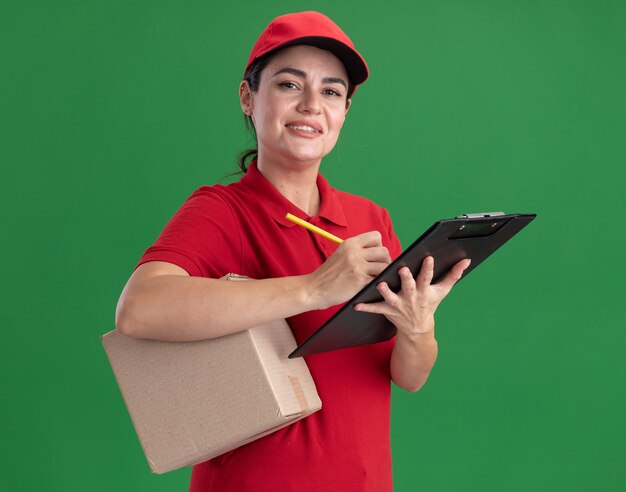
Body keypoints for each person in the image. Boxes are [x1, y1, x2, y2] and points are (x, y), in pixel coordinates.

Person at [115, 11, 470, 492]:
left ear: (344, 110)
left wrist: (417, 327)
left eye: (330, 91)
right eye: (289, 85)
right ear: (248, 97)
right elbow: (138, 310)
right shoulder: (223, 211)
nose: (311, 105)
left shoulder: (371, 221)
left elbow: (408, 377)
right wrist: (312, 288)